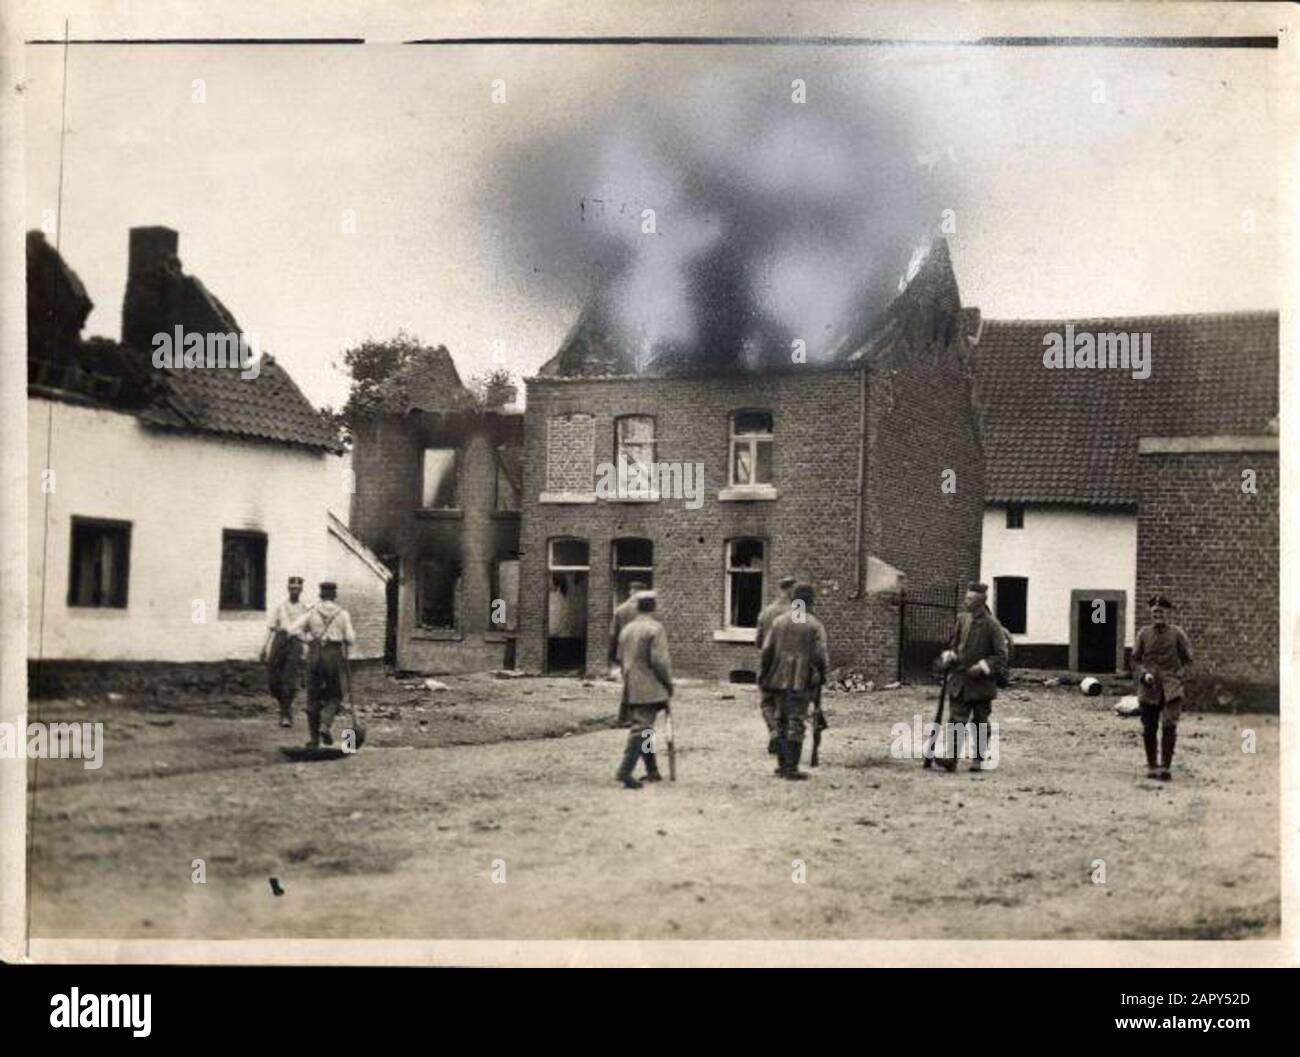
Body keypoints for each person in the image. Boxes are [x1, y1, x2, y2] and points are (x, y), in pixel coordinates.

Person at [937, 582, 1009, 773]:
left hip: (981, 683)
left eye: (969, 598)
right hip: (960, 679)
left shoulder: (993, 625)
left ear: (980, 601)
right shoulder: (962, 619)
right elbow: (954, 644)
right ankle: (951, 758)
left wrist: (983, 666)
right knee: (956, 720)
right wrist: (950, 655)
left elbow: (1001, 656)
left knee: (979, 722)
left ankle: (978, 759)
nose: (965, 601)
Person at [760, 583, 828, 781]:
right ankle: (791, 767)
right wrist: (821, 677)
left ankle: (782, 765)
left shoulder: (779, 622)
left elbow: (766, 651)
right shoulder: (814, 624)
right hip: (802, 679)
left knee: (781, 719)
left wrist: (764, 675)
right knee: (796, 721)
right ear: (810, 602)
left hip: (777, 677)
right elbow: (820, 656)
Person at [614, 592, 674, 790]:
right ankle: (625, 770)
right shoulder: (655, 629)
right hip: (650, 685)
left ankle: (652, 770)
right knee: (641, 729)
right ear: (654, 607)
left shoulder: (627, 629)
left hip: (631, 684)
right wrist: (668, 683)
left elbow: (619, 657)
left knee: (646, 728)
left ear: (638, 607)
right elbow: (660, 661)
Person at [288, 581, 357, 750]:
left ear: (320, 595)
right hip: (333, 655)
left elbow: (292, 630)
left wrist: (309, 640)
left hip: (314, 653)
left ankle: (314, 741)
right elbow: (350, 638)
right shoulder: (342, 614)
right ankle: (325, 725)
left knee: (313, 697)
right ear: (335, 596)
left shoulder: (312, 611)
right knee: (335, 695)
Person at [1132, 593, 1194, 781]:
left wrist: (1178, 677)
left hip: (1171, 689)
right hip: (1148, 689)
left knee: (1169, 725)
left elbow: (1188, 661)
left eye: (1161, 611)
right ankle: (1152, 766)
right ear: (1151, 613)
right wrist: (1144, 674)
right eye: (1155, 612)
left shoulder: (1177, 634)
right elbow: (1135, 660)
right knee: (1149, 727)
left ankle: (1165, 767)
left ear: (1168, 613)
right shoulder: (1143, 634)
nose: (1158, 615)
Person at [755, 574, 797, 755]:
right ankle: (782, 735)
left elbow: (758, 642)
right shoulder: (798, 613)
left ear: (781, 589)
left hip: (769, 663)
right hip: (791, 665)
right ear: (790, 590)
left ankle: (773, 731)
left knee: (766, 702)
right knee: (786, 702)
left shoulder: (766, 612)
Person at [261, 576, 309, 727]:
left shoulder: (304, 609)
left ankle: (285, 714)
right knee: (273, 679)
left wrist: (306, 648)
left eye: (297, 588)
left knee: (289, 678)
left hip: (295, 643)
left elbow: (307, 630)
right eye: (292, 588)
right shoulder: (280, 606)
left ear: (301, 590)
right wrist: (264, 647)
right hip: (279, 641)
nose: (294, 591)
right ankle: (283, 705)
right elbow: (271, 627)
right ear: (288, 589)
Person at [609, 580, 648, 725]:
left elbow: (613, 634)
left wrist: (612, 655)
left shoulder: (620, 610)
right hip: (643, 652)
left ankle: (624, 717)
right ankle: (630, 717)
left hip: (625, 653)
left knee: (629, 684)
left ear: (630, 592)